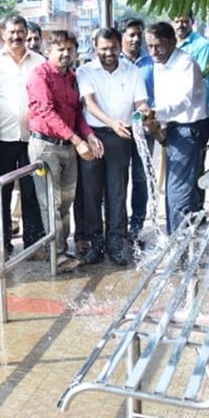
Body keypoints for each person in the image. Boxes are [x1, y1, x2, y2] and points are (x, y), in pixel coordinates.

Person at [27, 31, 103, 271]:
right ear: (48, 51)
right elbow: (47, 112)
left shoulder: (71, 76)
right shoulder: (40, 75)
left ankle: (62, 249)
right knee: (51, 202)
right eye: (60, 49)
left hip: (69, 146)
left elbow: (77, 112)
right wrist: (77, 140)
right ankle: (56, 254)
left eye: (70, 49)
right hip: (46, 146)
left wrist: (88, 135)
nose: (66, 54)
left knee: (66, 201)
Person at [77, 28, 150, 266]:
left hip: (122, 137)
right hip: (94, 137)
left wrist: (143, 112)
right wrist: (111, 122)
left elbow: (141, 102)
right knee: (92, 192)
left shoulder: (133, 71)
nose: (109, 53)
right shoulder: (85, 71)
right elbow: (89, 103)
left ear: (120, 46)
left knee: (117, 191)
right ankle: (95, 243)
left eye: (113, 48)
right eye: (104, 48)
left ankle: (117, 242)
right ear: (95, 47)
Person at [0, 15, 46, 257]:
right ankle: (2, 244)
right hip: (2, 139)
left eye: (21, 31)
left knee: (32, 192)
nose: (17, 36)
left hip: (33, 138)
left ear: (26, 32)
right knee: (2, 192)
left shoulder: (40, 62)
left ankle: (33, 244)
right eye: (12, 32)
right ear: (2, 34)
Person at [148, 22, 207, 233]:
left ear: (172, 42)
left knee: (178, 187)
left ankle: (177, 242)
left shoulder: (185, 63)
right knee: (180, 186)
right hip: (172, 126)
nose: (153, 51)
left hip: (189, 127)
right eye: (150, 46)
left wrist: (157, 113)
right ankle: (181, 237)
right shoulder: (159, 63)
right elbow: (164, 96)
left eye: (158, 45)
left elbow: (184, 101)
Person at [173, 11, 209, 208]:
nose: (180, 25)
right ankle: (186, 208)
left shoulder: (201, 46)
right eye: (177, 21)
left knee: (197, 164)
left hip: (197, 116)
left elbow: (202, 80)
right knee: (181, 167)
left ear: (192, 22)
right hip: (176, 117)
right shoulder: (172, 46)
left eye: (184, 21)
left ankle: (197, 208)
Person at [120, 18, 154, 240]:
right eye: (131, 34)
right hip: (120, 128)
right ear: (122, 36)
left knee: (141, 177)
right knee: (118, 177)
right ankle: (117, 223)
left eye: (138, 34)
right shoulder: (113, 60)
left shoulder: (151, 61)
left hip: (144, 128)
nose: (135, 39)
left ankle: (137, 224)